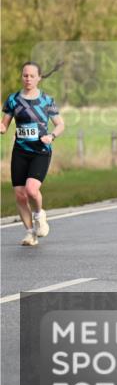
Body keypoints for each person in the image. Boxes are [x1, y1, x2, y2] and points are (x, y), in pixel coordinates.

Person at [1, 62, 65, 247]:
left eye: (31, 76)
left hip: (40, 151)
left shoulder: (46, 100)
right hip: (20, 151)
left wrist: (51, 136)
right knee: (20, 194)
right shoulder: (13, 100)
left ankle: (39, 215)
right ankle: (30, 233)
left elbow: (60, 124)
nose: (28, 79)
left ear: (39, 78)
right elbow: (4, 126)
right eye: (25, 75)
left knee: (31, 190)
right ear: (22, 77)